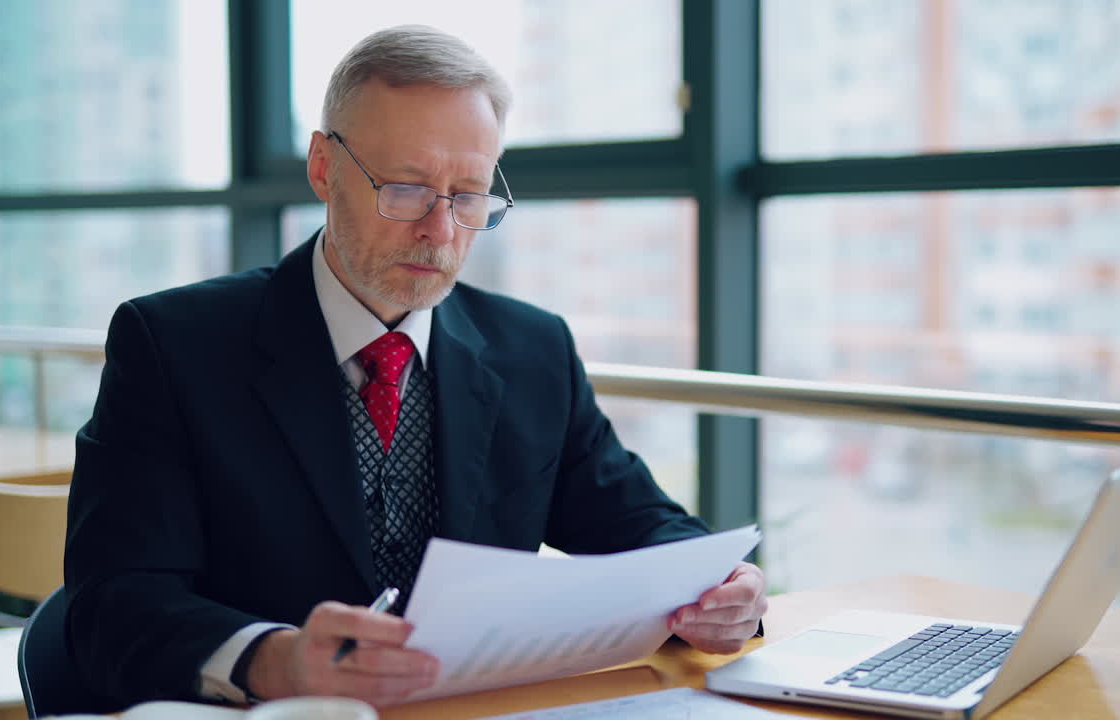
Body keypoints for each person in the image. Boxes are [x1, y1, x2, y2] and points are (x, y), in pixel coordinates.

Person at [63, 25, 767, 710]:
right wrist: (276, 660)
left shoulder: (533, 350)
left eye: (468, 195)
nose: (439, 231)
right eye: (404, 186)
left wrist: (724, 587)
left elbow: (640, 525)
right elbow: (110, 606)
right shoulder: (172, 345)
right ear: (322, 168)